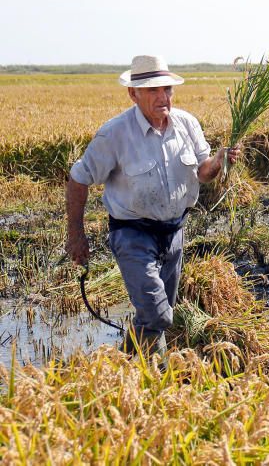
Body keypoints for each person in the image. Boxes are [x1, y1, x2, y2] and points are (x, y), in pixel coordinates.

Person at [65, 55, 240, 355]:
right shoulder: (115, 134)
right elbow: (78, 179)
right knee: (159, 315)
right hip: (133, 234)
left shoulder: (187, 124)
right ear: (133, 94)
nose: (163, 97)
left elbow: (203, 172)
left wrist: (220, 162)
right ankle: (145, 369)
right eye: (152, 90)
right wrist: (75, 234)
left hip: (174, 233)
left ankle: (138, 373)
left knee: (155, 319)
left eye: (167, 90)